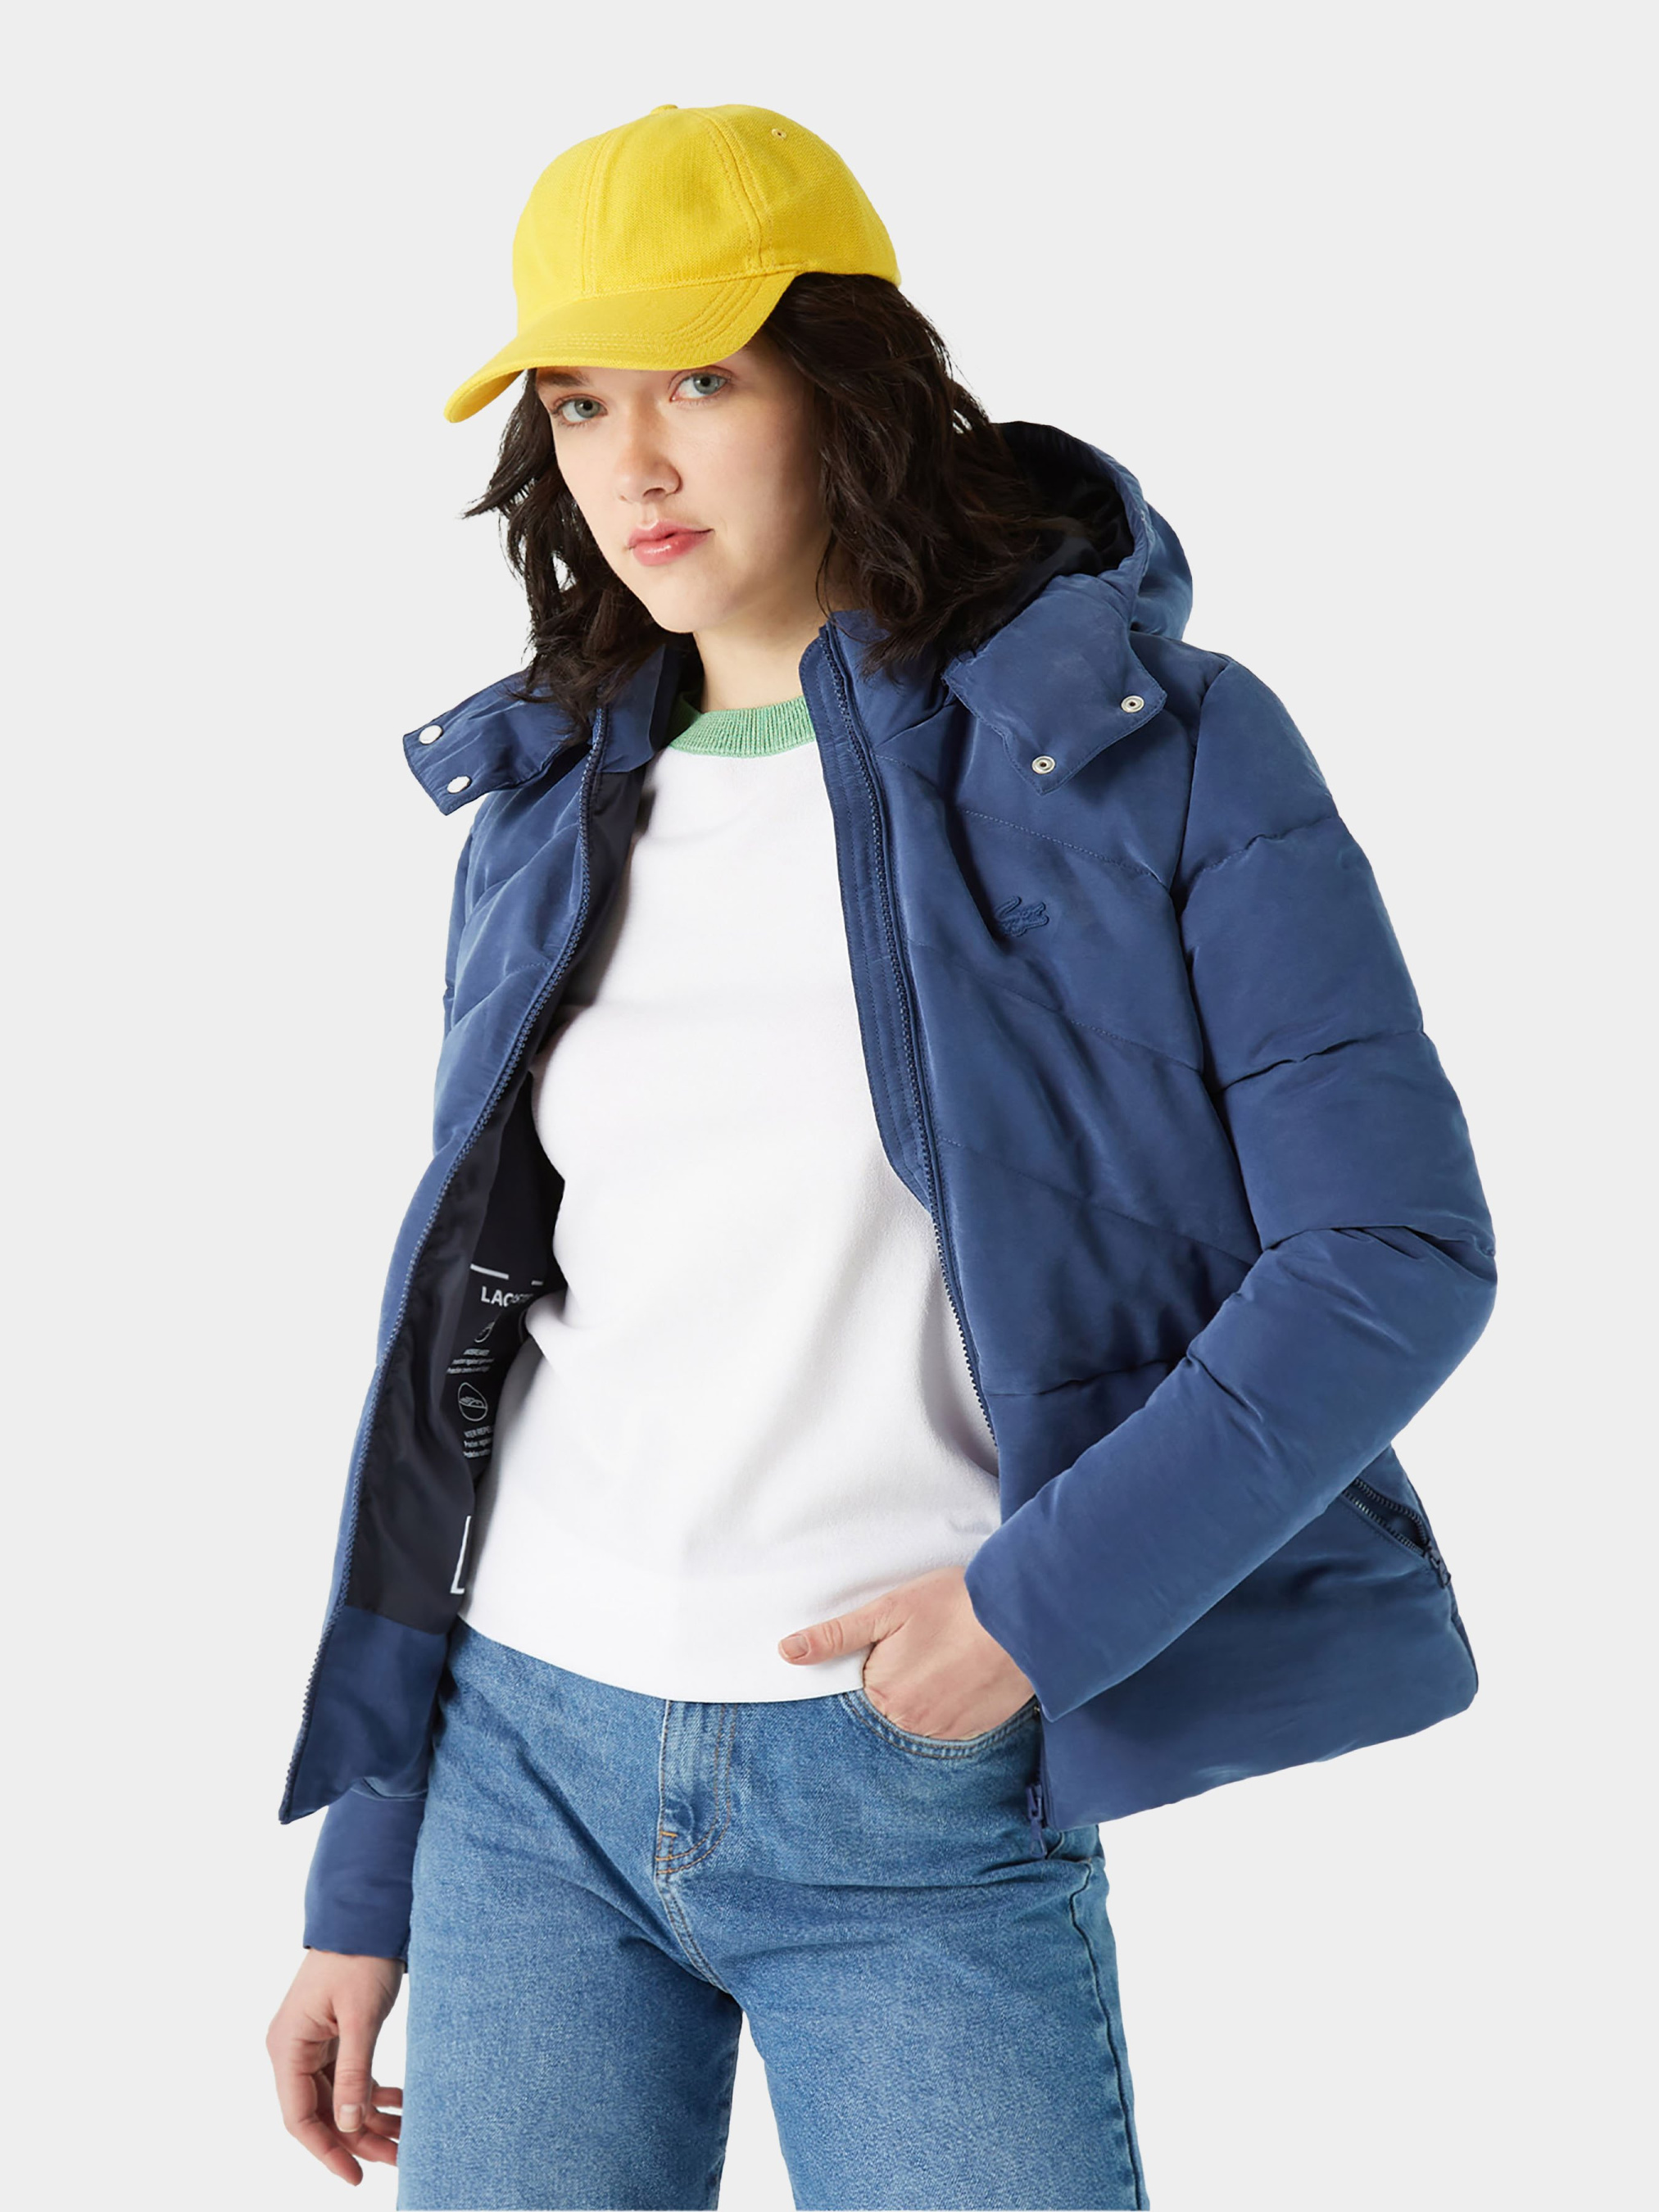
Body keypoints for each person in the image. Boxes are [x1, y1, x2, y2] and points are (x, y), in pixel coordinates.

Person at [264, 101, 1497, 2212]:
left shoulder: (1155, 747)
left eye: (701, 379)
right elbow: (470, 1342)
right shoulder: (545, 800)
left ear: (847, 381)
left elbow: (1393, 1251)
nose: (634, 465)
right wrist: (366, 1867)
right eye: (578, 403)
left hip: (909, 1765)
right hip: (520, 1770)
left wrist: (1032, 1614)